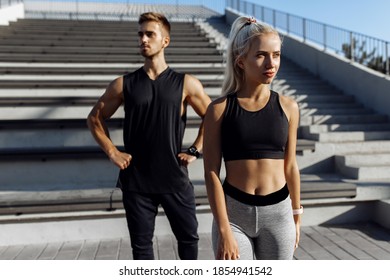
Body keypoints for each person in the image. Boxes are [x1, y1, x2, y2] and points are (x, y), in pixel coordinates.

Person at [87, 12, 211, 260]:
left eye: (149, 34)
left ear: (165, 40)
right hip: (137, 183)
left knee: (189, 240)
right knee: (141, 248)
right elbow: (94, 118)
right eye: (140, 34)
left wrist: (196, 150)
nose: (143, 39)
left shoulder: (186, 83)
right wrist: (112, 152)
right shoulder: (124, 84)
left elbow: (214, 117)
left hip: (175, 178)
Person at [203, 16, 302, 260]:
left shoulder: (289, 107)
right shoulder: (219, 109)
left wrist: (296, 215)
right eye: (261, 55)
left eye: (276, 55)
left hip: (279, 215)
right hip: (234, 216)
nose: (271, 63)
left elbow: (290, 165)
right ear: (241, 61)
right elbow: (211, 173)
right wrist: (224, 229)